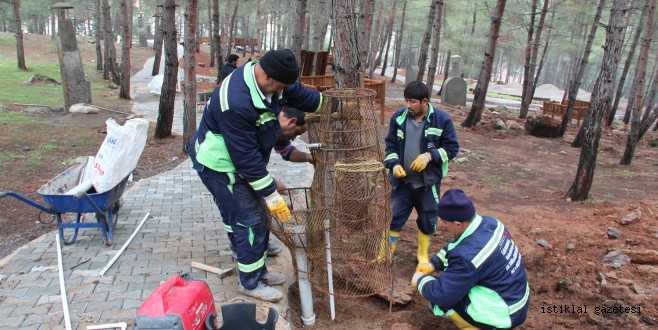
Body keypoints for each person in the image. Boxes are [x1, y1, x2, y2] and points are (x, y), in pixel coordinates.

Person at [188, 49, 322, 302]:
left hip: (239, 162)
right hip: (221, 165)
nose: (282, 92)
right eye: (281, 86)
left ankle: (254, 265)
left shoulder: (270, 83)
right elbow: (245, 159)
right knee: (249, 220)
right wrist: (270, 191)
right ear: (270, 77)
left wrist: (330, 105)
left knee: (247, 216)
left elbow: (299, 94)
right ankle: (250, 282)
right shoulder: (236, 102)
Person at [411, 189, 530, 330]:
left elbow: (442, 294)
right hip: (516, 297)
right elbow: (456, 245)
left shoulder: (467, 258)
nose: (443, 225)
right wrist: (434, 263)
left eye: (444, 221)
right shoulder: (492, 223)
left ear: (458, 224)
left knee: (444, 301)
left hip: (503, 314)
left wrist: (420, 280)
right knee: (456, 282)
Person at [382, 80, 459, 274]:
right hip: (403, 182)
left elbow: (452, 149)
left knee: (427, 218)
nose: (408, 106)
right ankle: (387, 252)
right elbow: (390, 146)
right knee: (394, 216)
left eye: (412, 102)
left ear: (425, 102)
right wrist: (394, 164)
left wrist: (429, 156)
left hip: (427, 183)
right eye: (406, 101)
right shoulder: (399, 117)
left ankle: (422, 255)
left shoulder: (441, 120)